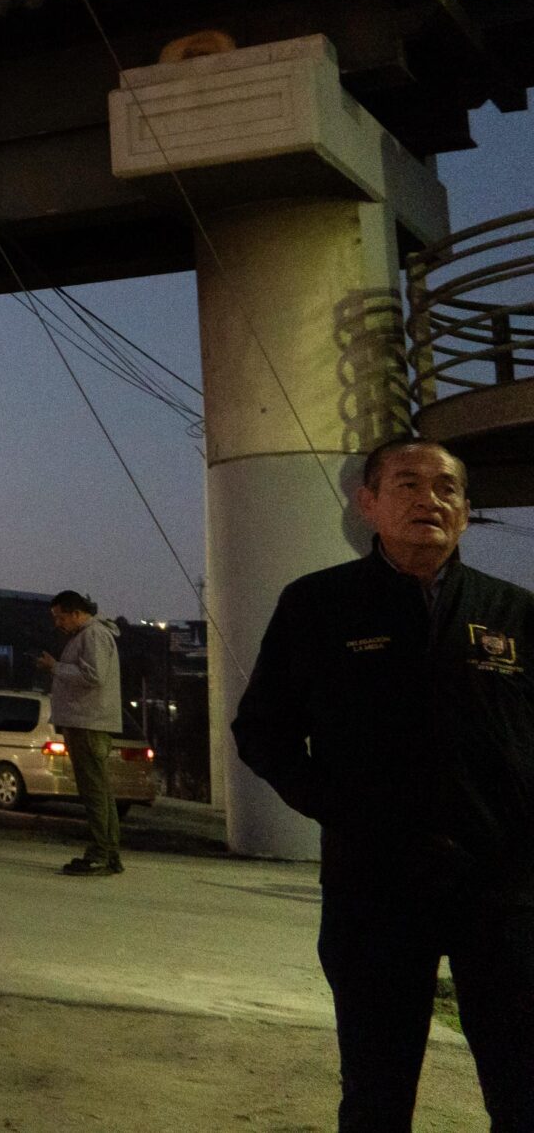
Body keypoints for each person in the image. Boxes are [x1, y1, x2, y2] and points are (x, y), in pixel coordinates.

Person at [233, 437, 534, 1133]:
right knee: (376, 1093)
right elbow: (263, 731)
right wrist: (342, 812)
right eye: (406, 484)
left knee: (522, 1090)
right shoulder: (319, 605)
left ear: (465, 509)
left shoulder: (515, 613)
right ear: (367, 503)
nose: (428, 499)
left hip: (503, 892)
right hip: (375, 886)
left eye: (447, 488)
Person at [37, 589, 124, 876]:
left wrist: (56, 667)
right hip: (88, 722)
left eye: (60, 616)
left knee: (94, 792)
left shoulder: (92, 636)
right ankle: (108, 852)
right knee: (99, 791)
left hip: (88, 723)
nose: (57, 623)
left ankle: (100, 853)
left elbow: (93, 676)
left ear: (76, 613)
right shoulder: (90, 636)